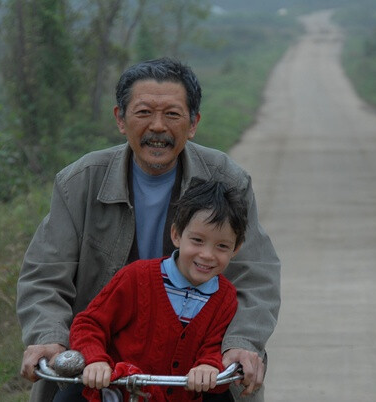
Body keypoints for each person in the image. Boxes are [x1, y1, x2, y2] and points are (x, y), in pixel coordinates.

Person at [17, 57, 280, 402]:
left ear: (194, 123)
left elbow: (256, 277)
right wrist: (49, 335)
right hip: (100, 364)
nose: (158, 127)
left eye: (172, 114)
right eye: (143, 113)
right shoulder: (78, 182)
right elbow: (45, 274)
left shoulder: (226, 180)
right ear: (120, 120)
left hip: (197, 368)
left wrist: (242, 345)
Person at [69, 180, 248, 402]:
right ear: (176, 235)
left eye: (222, 246)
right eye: (197, 240)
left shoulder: (225, 298)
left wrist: (207, 365)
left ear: (235, 249)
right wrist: (95, 359)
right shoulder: (136, 278)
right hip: (121, 394)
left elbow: (214, 345)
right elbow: (89, 324)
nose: (207, 255)